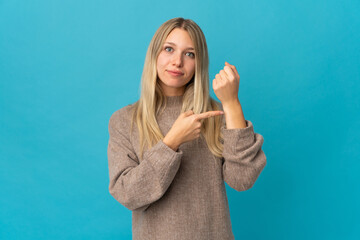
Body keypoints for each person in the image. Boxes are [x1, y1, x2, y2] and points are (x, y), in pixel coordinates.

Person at [107, 17, 267, 240]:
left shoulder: (216, 114)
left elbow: (242, 180)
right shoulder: (125, 120)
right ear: (154, 54)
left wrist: (231, 103)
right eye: (169, 49)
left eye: (189, 54)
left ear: (199, 63)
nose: (177, 62)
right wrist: (171, 142)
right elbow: (128, 194)